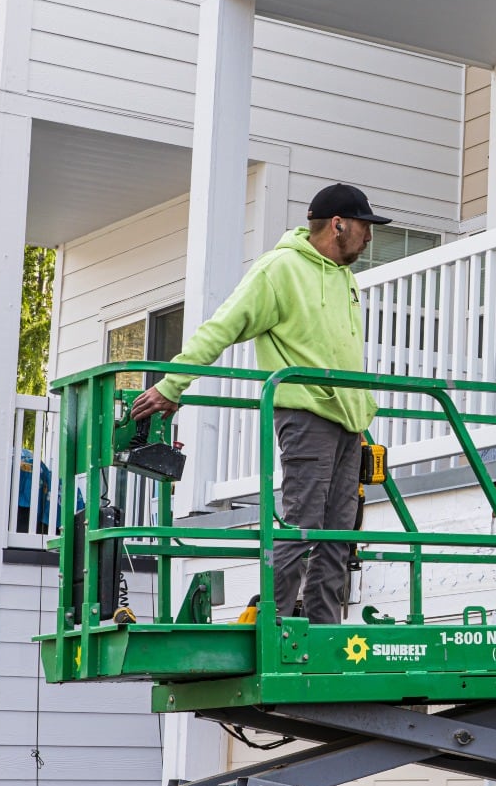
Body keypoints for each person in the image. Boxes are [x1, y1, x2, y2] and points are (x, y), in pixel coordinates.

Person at [130, 183, 390, 624]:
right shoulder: (280, 270)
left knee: (339, 535)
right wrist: (174, 384)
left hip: (347, 423)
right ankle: (275, 621)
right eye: (365, 228)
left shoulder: (345, 279)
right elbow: (222, 326)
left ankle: (324, 631)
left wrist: (360, 419)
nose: (370, 239)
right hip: (306, 414)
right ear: (338, 224)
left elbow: (341, 353)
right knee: (300, 524)